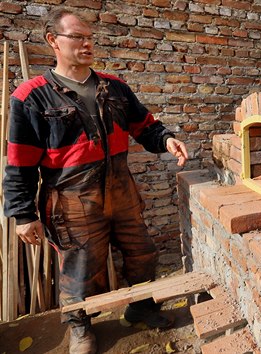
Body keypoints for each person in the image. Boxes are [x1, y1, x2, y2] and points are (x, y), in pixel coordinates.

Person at [3, 9, 189, 354]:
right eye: (78, 36)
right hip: (71, 197)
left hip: (121, 188)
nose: (87, 43)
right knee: (79, 268)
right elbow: (20, 163)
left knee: (142, 253)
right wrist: (22, 214)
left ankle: (142, 307)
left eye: (90, 37)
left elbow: (144, 125)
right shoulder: (31, 96)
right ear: (53, 41)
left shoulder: (113, 86)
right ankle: (80, 327)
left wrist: (165, 139)